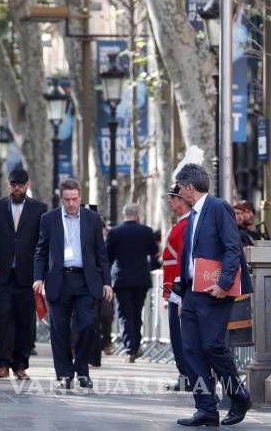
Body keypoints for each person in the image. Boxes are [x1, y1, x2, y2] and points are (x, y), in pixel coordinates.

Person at [174, 163, 252, 427]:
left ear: (189, 188)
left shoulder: (217, 207)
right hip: (193, 293)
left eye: (179, 189)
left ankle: (239, 396)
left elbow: (232, 248)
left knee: (211, 346)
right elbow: (189, 257)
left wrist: (225, 283)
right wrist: (182, 294)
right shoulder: (193, 215)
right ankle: (206, 408)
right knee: (192, 351)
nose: (178, 193)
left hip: (215, 292)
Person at [33, 178, 112, 389]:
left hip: (86, 280)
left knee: (88, 325)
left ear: (80, 197)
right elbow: (41, 251)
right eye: (67, 199)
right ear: (61, 199)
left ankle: (81, 368)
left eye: (74, 199)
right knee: (59, 329)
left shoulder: (93, 218)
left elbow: (101, 253)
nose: (71, 203)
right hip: (59, 280)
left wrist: (107, 282)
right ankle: (64, 374)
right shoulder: (48, 219)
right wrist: (38, 278)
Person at [0, 167, 47, 380]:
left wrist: (41, 274)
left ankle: (21, 365)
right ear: (9, 185)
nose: (16, 188)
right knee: (3, 321)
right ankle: (2, 365)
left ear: (27, 185)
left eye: (20, 184)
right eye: (13, 184)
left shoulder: (39, 208)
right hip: (3, 275)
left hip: (28, 277)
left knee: (25, 323)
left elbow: (42, 243)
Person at [106, 202, 158, 362]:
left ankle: (131, 348)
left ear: (124, 215)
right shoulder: (146, 231)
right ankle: (135, 345)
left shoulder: (114, 232)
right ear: (137, 216)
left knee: (124, 314)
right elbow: (153, 251)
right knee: (137, 312)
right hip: (140, 278)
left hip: (121, 278)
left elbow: (108, 255)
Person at [162, 183, 192, 391]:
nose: (171, 201)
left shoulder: (185, 225)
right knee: (177, 336)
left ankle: (188, 376)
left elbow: (182, 261)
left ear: (183, 200)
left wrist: (178, 294)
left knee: (180, 337)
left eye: (174, 197)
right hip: (175, 289)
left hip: (179, 291)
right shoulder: (181, 224)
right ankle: (186, 375)